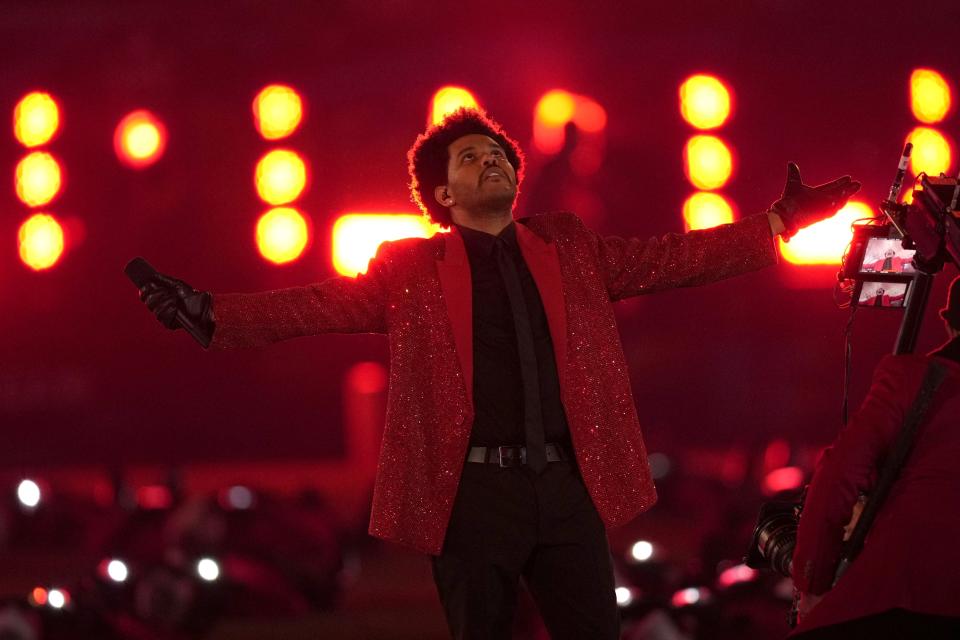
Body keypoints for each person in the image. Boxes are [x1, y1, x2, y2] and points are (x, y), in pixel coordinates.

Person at [139, 108, 859, 639]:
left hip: (566, 487)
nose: (491, 162)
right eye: (470, 158)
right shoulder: (410, 269)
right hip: (472, 494)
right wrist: (211, 314)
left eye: (497, 155)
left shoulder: (568, 246)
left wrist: (780, 222)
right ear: (442, 197)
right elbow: (316, 306)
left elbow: (677, 258)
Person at [791, 276, 960, 638]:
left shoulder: (910, 379)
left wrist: (814, 583)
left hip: (900, 594)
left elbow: (839, 476)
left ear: (949, 323)